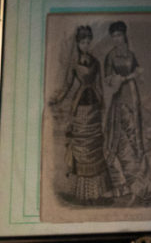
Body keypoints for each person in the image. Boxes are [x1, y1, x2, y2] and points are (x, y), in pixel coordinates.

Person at [50, 25, 112, 203]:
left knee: (94, 146)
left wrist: (103, 106)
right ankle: (82, 193)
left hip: (94, 105)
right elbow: (67, 86)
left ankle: (96, 193)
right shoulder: (74, 65)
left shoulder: (96, 62)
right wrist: (57, 99)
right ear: (78, 43)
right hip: (80, 106)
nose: (86, 45)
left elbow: (99, 84)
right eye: (82, 42)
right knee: (82, 147)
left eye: (88, 41)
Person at [103, 20, 145, 197]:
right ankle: (123, 180)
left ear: (124, 35)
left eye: (119, 35)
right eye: (113, 36)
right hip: (119, 94)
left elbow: (138, 70)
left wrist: (133, 75)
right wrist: (116, 79)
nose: (116, 39)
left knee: (134, 130)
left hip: (132, 93)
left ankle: (138, 178)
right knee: (119, 133)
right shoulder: (110, 56)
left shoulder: (130, 54)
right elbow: (107, 78)